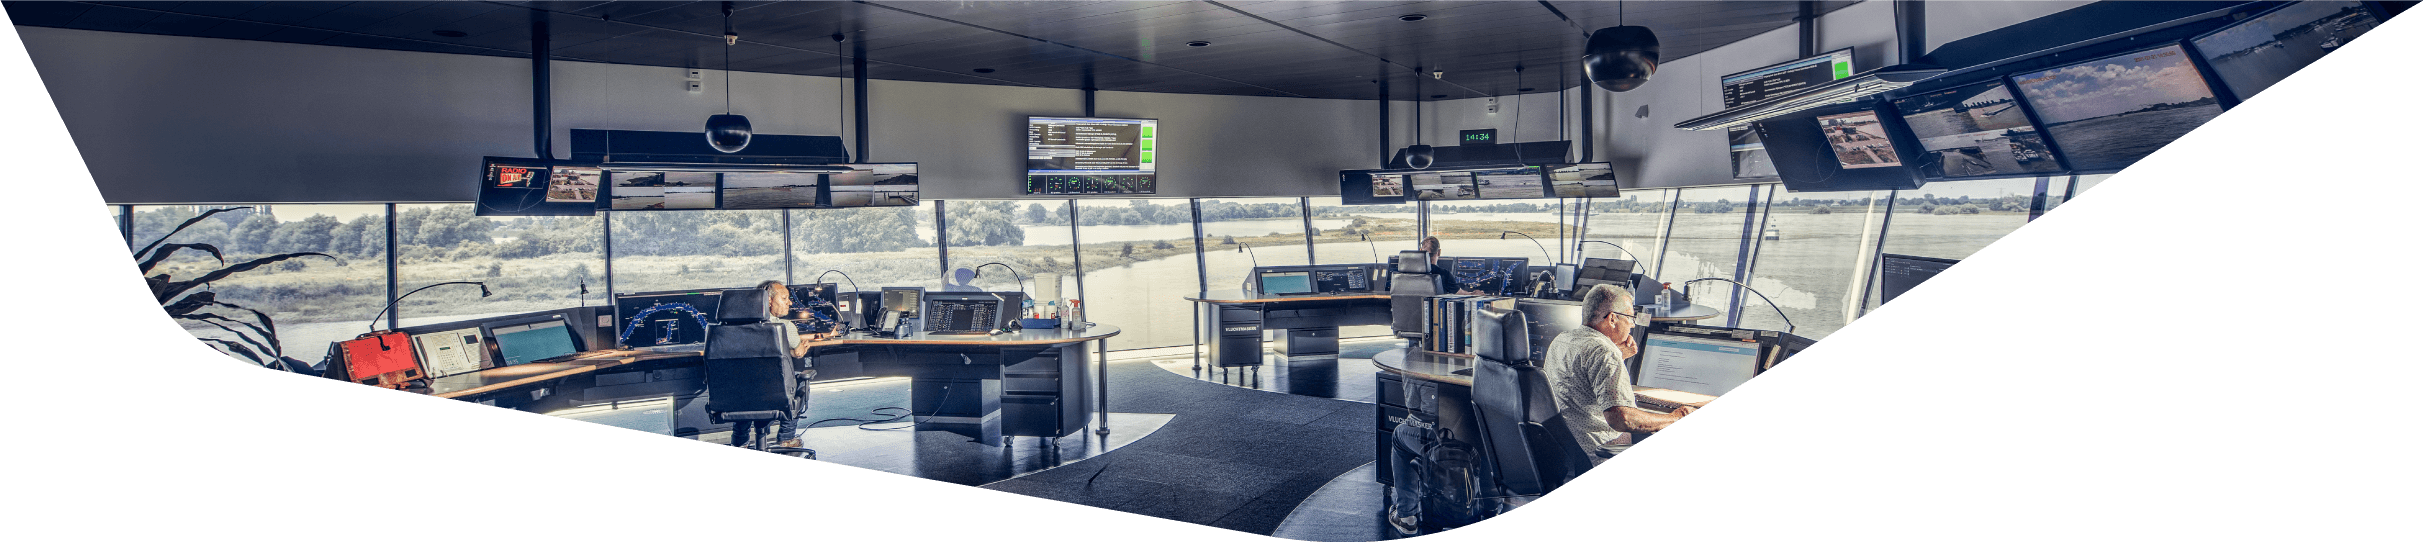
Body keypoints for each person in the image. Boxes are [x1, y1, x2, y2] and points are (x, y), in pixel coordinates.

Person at [1540, 284, 1695, 463]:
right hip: (1598, 455)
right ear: (1612, 319)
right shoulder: (1604, 351)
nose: (1632, 325)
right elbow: (1622, 419)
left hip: (1566, 452)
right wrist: (1675, 417)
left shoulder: (1562, 339)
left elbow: (1581, 378)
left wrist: (1618, 356)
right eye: (1630, 318)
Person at [731, 280, 827, 451]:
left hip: (738, 394)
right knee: (800, 381)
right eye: (784, 298)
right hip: (774, 393)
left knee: (744, 387)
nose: (789, 303)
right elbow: (797, 350)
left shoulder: (728, 329)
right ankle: (786, 438)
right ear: (768, 300)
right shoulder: (784, 327)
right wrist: (798, 350)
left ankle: (739, 441)